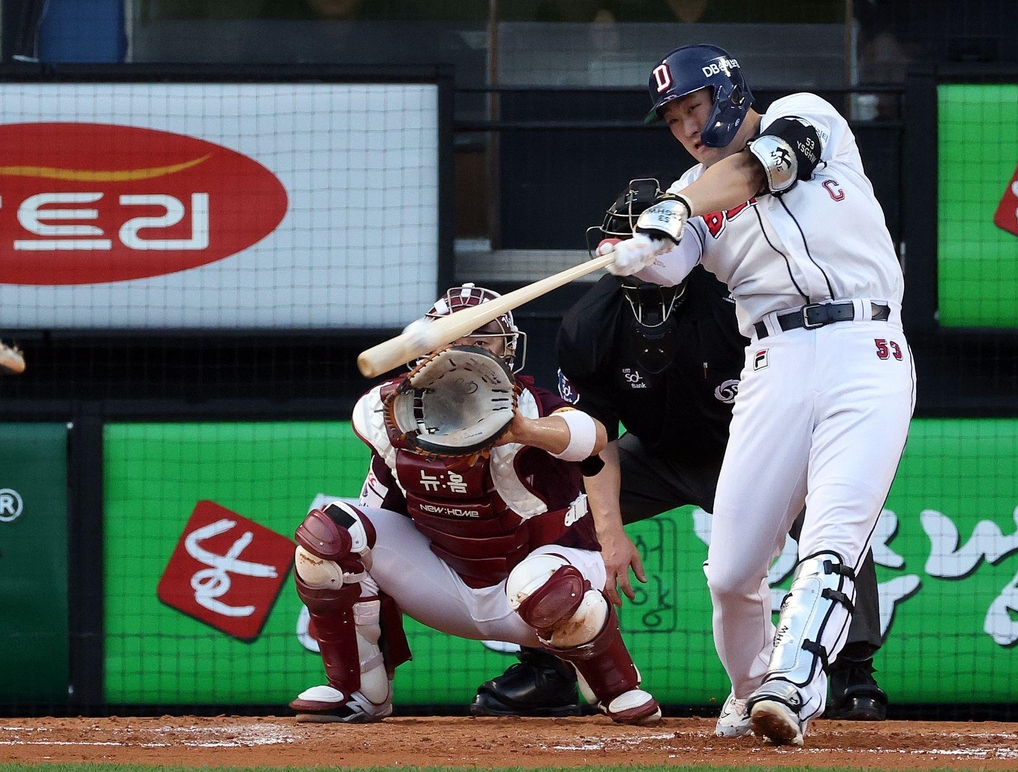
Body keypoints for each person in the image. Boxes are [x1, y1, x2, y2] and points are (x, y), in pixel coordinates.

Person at [472, 180, 891, 725]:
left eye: (649, 241)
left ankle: (853, 674)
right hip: (656, 457)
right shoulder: (588, 325)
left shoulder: (736, 301)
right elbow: (594, 442)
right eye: (626, 241)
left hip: (758, 450)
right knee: (553, 512)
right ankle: (546, 670)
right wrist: (609, 534)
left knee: (836, 519)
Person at [604, 45, 916, 745]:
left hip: (867, 348)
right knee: (733, 571)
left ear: (731, 93)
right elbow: (670, 262)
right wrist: (631, 251)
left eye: (696, 106)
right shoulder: (688, 195)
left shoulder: (806, 117)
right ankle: (751, 692)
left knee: (832, 537)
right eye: (674, 117)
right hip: (774, 362)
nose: (687, 125)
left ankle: (795, 684)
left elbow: (759, 170)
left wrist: (675, 205)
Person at [289, 283, 661, 726]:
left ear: (507, 347)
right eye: (456, 333)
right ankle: (359, 690)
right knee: (329, 534)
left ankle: (616, 686)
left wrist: (522, 430)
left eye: (484, 335)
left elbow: (593, 438)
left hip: (544, 590)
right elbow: (374, 525)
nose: (470, 344)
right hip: (448, 584)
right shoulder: (387, 412)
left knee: (541, 584)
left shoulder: (533, 409)